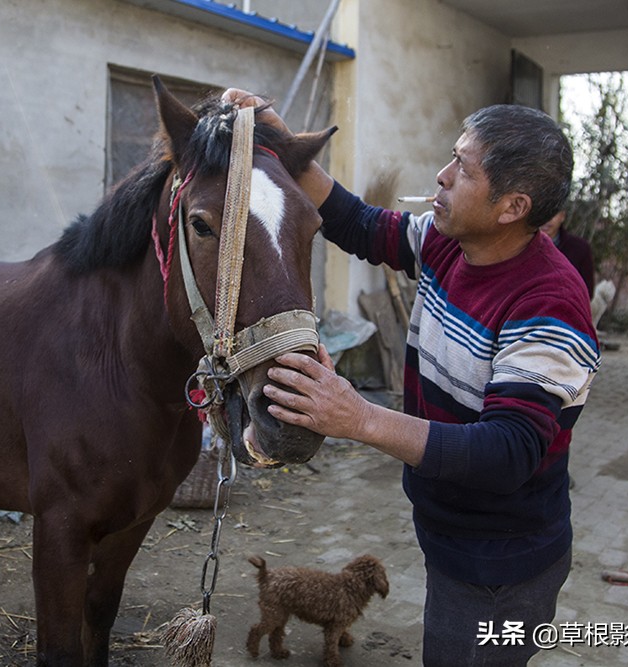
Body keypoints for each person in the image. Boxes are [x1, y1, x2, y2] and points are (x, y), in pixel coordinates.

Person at [224, 90, 600, 667]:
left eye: (463, 169)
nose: (442, 177)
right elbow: (359, 224)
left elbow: (507, 452)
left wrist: (360, 417)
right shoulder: (449, 242)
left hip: (499, 562)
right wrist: (279, 139)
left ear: (511, 207)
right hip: (449, 534)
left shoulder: (548, 304)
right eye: (452, 157)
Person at [540, 210, 595, 299]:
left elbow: (587, 293)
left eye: (553, 213)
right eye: (542, 212)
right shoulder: (518, 247)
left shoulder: (580, 249)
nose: (547, 219)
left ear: (562, 216)